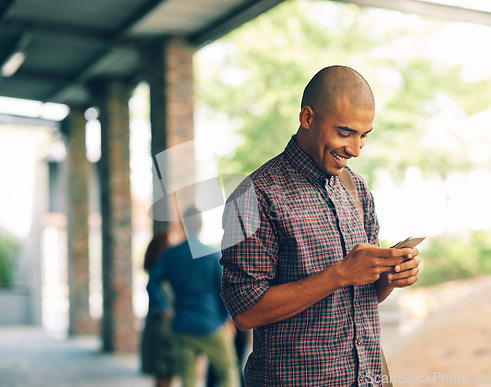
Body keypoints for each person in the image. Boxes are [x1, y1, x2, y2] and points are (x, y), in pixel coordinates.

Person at [220, 65, 421, 386]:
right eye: (344, 132)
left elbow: (361, 298)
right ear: (307, 118)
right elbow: (245, 312)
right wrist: (340, 274)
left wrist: (389, 278)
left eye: (363, 136)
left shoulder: (357, 190)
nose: (355, 150)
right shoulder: (253, 195)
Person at [147, 207, 240, 387]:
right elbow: (224, 289)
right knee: (228, 373)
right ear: (200, 225)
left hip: (182, 324)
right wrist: (229, 319)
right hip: (212, 323)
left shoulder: (170, 255)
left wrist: (165, 307)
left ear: (182, 225)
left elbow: (152, 284)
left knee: (188, 378)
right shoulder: (213, 255)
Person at [140, 230, 179, 387]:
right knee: (165, 371)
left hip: (157, 324)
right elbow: (153, 288)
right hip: (162, 325)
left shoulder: (156, 269)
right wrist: (166, 308)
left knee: (163, 374)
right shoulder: (161, 270)